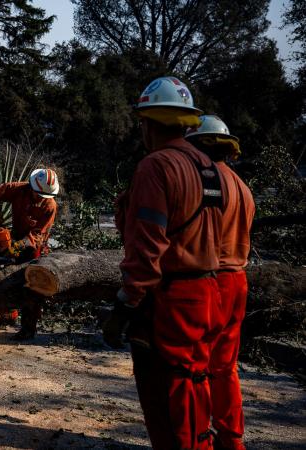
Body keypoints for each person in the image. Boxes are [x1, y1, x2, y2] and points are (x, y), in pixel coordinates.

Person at [103, 77, 224, 450]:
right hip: (207, 293)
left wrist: (125, 304)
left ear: (149, 123)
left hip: (170, 301)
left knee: (166, 398)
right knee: (194, 387)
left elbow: (147, 246)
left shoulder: (156, 166)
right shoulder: (207, 166)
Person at [186, 115, 255, 450]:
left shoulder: (205, 182)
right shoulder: (243, 187)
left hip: (208, 283)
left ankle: (199, 441)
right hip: (237, 282)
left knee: (195, 366)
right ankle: (233, 440)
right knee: (225, 368)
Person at [0, 169, 58, 340]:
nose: (40, 199)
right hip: (16, 236)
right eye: (38, 194)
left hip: (33, 248)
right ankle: (7, 315)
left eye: (44, 196)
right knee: (3, 277)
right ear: (32, 187)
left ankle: (28, 328)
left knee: (31, 286)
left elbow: (38, 236)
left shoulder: (50, 206)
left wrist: (15, 248)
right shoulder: (19, 189)